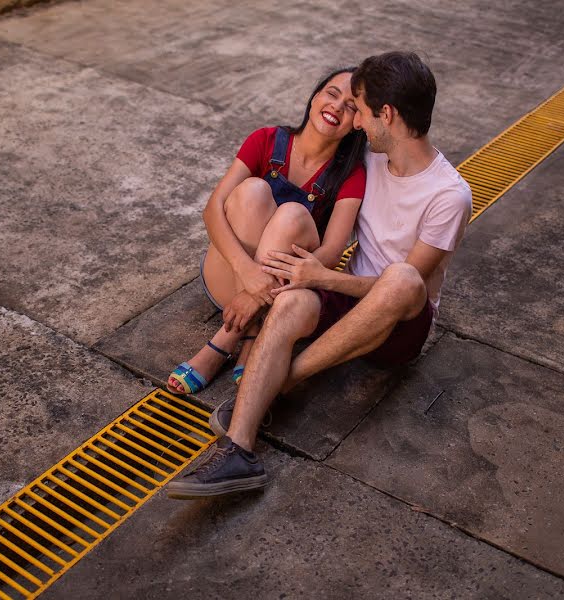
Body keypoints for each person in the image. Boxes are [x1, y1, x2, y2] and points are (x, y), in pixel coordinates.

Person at [168, 51, 472, 499]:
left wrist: (325, 278)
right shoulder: (369, 163)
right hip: (346, 299)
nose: (358, 124)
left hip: (399, 322)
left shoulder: (449, 194)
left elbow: (412, 290)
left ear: (386, 114)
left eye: (363, 110)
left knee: (403, 277)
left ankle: (280, 382)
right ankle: (238, 451)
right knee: (289, 300)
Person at [165, 67, 367, 396]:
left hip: (281, 298)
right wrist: (248, 275)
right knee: (253, 191)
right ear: (315, 96)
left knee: (291, 215)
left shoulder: (351, 174)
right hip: (227, 278)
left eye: (351, 106)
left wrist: (258, 293)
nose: (337, 107)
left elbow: (330, 253)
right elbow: (212, 209)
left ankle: (226, 341)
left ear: (358, 122)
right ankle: (250, 336)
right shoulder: (267, 139)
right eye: (332, 94)